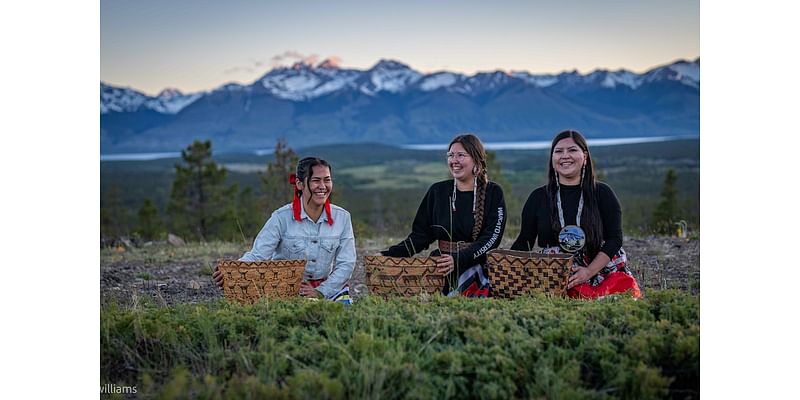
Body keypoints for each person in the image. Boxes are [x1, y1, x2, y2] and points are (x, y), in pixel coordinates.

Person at [510, 130, 641, 298]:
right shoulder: (538, 197)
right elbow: (524, 241)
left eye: (572, 150)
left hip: (601, 269)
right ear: (552, 159)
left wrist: (588, 271)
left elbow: (614, 239)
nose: (565, 156)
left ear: (585, 156)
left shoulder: (602, 193)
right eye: (558, 151)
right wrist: (503, 264)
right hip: (555, 272)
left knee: (619, 294)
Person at [212, 157, 355, 303]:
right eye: (316, 180)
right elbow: (258, 255)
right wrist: (232, 271)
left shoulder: (342, 218)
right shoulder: (281, 218)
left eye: (327, 180)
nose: (323, 186)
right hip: (286, 292)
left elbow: (346, 263)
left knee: (342, 314)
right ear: (300, 184)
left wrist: (320, 291)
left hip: (327, 291)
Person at [381, 134, 506, 297]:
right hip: (441, 267)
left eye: (461, 155)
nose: (454, 160)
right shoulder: (437, 191)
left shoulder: (493, 192)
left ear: (477, 160)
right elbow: (420, 236)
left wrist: (458, 259)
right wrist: (389, 254)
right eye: (450, 155)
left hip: (479, 267)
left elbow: (492, 238)